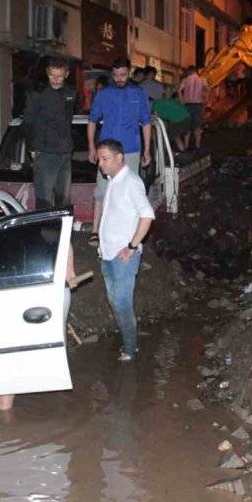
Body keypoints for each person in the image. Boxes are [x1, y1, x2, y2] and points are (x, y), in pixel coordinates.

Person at [0, 207, 77, 416]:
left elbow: (62, 233)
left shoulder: (21, 232)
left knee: (28, 353)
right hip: (7, 300)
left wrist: (69, 268)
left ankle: (6, 417)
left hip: (45, 294)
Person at [94, 139, 154, 362]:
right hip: (108, 256)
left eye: (105, 159)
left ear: (119, 157)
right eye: (100, 159)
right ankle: (127, 337)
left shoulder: (130, 181)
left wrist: (131, 246)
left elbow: (146, 215)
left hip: (123, 259)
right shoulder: (113, 181)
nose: (100, 164)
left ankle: (130, 348)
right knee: (115, 302)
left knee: (122, 303)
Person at [87, 58, 151, 248]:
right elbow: (92, 121)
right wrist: (92, 147)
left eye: (123, 75)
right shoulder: (104, 94)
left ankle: (130, 234)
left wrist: (147, 150)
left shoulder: (138, 94)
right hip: (106, 150)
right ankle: (95, 231)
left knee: (129, 192)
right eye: (115, 75)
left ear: (129, 72)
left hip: (130, 150)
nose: (119, 78)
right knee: (102, 191)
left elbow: (146, 123)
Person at [22, 57, 76, 209]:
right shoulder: (37, 94)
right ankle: (42, 231)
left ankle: (63, 230)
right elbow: (27, 122)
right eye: (52, 75)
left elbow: (68, 120)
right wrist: (32, 148)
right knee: (44, 199)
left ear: (66, 74)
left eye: (59, 76)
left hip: (65, 151)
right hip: (45, 151)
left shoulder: (70, 92)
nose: (56, 79)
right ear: (47, 73)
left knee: (64, 198)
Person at [178, 65, 208, 150]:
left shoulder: (185, 80)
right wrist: (205, 100)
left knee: (187, 126)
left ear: (189, 71)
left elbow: (179, 90)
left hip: (187, 105)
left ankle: (186, 146)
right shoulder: (202, 80)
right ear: (196, 71)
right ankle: (197, 146)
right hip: (198, 105)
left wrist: (181, 101)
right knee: (197, 127)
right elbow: (207, 90)